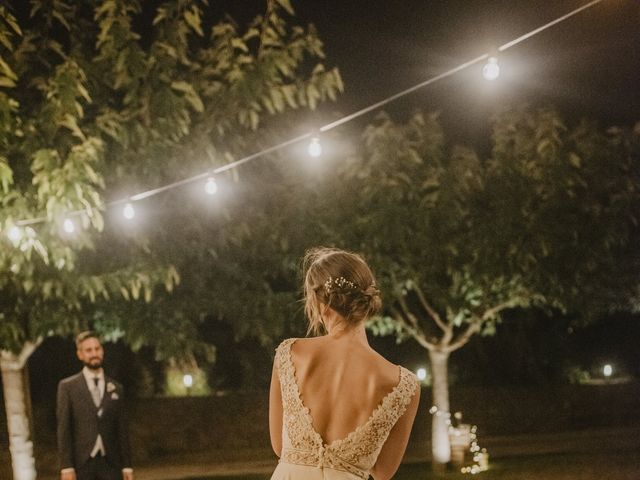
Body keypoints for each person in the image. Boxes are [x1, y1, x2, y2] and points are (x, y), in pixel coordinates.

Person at [269, 247, 420, 480]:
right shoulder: (402, 384)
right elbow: (382, 472)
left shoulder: (291, 354)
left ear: (320, 303)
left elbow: (279, 446)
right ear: (366, 301)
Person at [57, 331, 133, 480]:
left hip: (111, 463)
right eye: (89, 350)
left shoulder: (116, 387)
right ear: (80, 354)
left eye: (97, 349)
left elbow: (122, 429)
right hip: (82, 464)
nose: (94, 354)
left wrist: (127, 465)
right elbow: (64, 429)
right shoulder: (68, 387)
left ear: (102, 351)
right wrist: (66, 466)